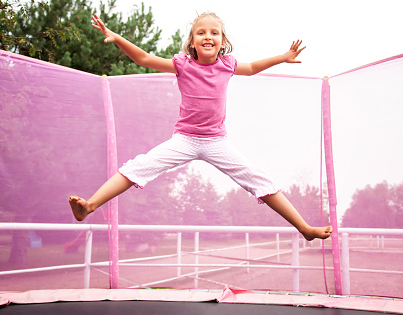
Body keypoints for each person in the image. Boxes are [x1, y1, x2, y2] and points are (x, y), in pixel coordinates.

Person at [69, 12, 332, 241]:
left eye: (214, 32)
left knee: (257, 179)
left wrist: (284, 56)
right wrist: (117, 38)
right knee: (139, 166)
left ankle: (305, 228)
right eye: (201, 32)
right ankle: (90, 205)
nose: (208, 36)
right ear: (192, 42)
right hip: (185, 139)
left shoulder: (227, 65)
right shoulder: (183, 65)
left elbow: (252, 67)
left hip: (216, 141)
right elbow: (144, 58)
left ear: (222, 42)